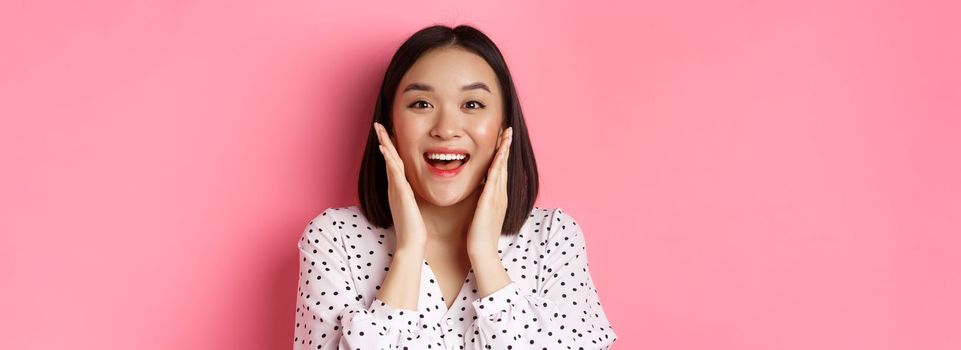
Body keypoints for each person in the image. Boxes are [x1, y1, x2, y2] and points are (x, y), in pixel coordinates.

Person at [292, 24, 617, 349]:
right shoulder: (334, 239)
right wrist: (408, 251)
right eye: (421, 104)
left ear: (504, 125)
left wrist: (486, 256)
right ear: (391, 124)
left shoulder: (552, 239)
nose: (446, 129)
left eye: (472, 105)